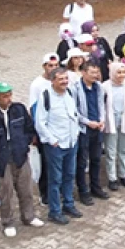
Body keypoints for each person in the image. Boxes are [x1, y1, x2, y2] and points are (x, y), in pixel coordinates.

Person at [0, 82, 42, 237]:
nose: (8, 99)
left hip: (20, 156)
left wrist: (24, 142)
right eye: (4, 96)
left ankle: (29, 216)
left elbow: (28, 128)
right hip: (2, 161)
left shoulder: (19, 109)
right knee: (6, 193)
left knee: (26, 189)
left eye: (9, 95)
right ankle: (8, 222)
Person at [35, 67, 83, 225]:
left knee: (69, 175)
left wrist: (75, 134)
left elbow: (74, 114)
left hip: (71, 142)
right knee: (55, 179)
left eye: (66, 78)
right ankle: (54, 211)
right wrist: (51, 139)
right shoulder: (46, 96)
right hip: (56, 145)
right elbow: (40, 122)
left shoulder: (69, 93)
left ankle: (68, 204)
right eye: (61, 79)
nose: (64, 82)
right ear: (52, 80)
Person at [101, 62, 125, 190]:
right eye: (118, 72)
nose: (121, 75)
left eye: (123, 72)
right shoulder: (105, 86)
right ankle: (112, 178)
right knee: (111, 151)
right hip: (111, 121)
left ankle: (124, 174)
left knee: (124, 150)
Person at [74, 61, 109, 205]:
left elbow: (101, 105)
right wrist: (88, 122)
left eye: (97, 72)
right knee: (82, 162)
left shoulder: (99, 87)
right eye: (91, 72)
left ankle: (96, 187)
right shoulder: (75, 88)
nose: (95, 75)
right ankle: (83, 191)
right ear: (83, 72)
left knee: (96, 159)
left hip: (97, 128)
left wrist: (102, 120)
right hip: (84, 129)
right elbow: (74, 111)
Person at [29, 53, 59, 203]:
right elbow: (33, 109)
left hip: (58, 129)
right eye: (50, 65)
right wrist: (36, 132)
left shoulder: (59, 81)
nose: (53, 68)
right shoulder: (37, 85)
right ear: (44, 66)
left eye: (55, 65)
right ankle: (44, 194)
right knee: (45, 164)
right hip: (44, 130)